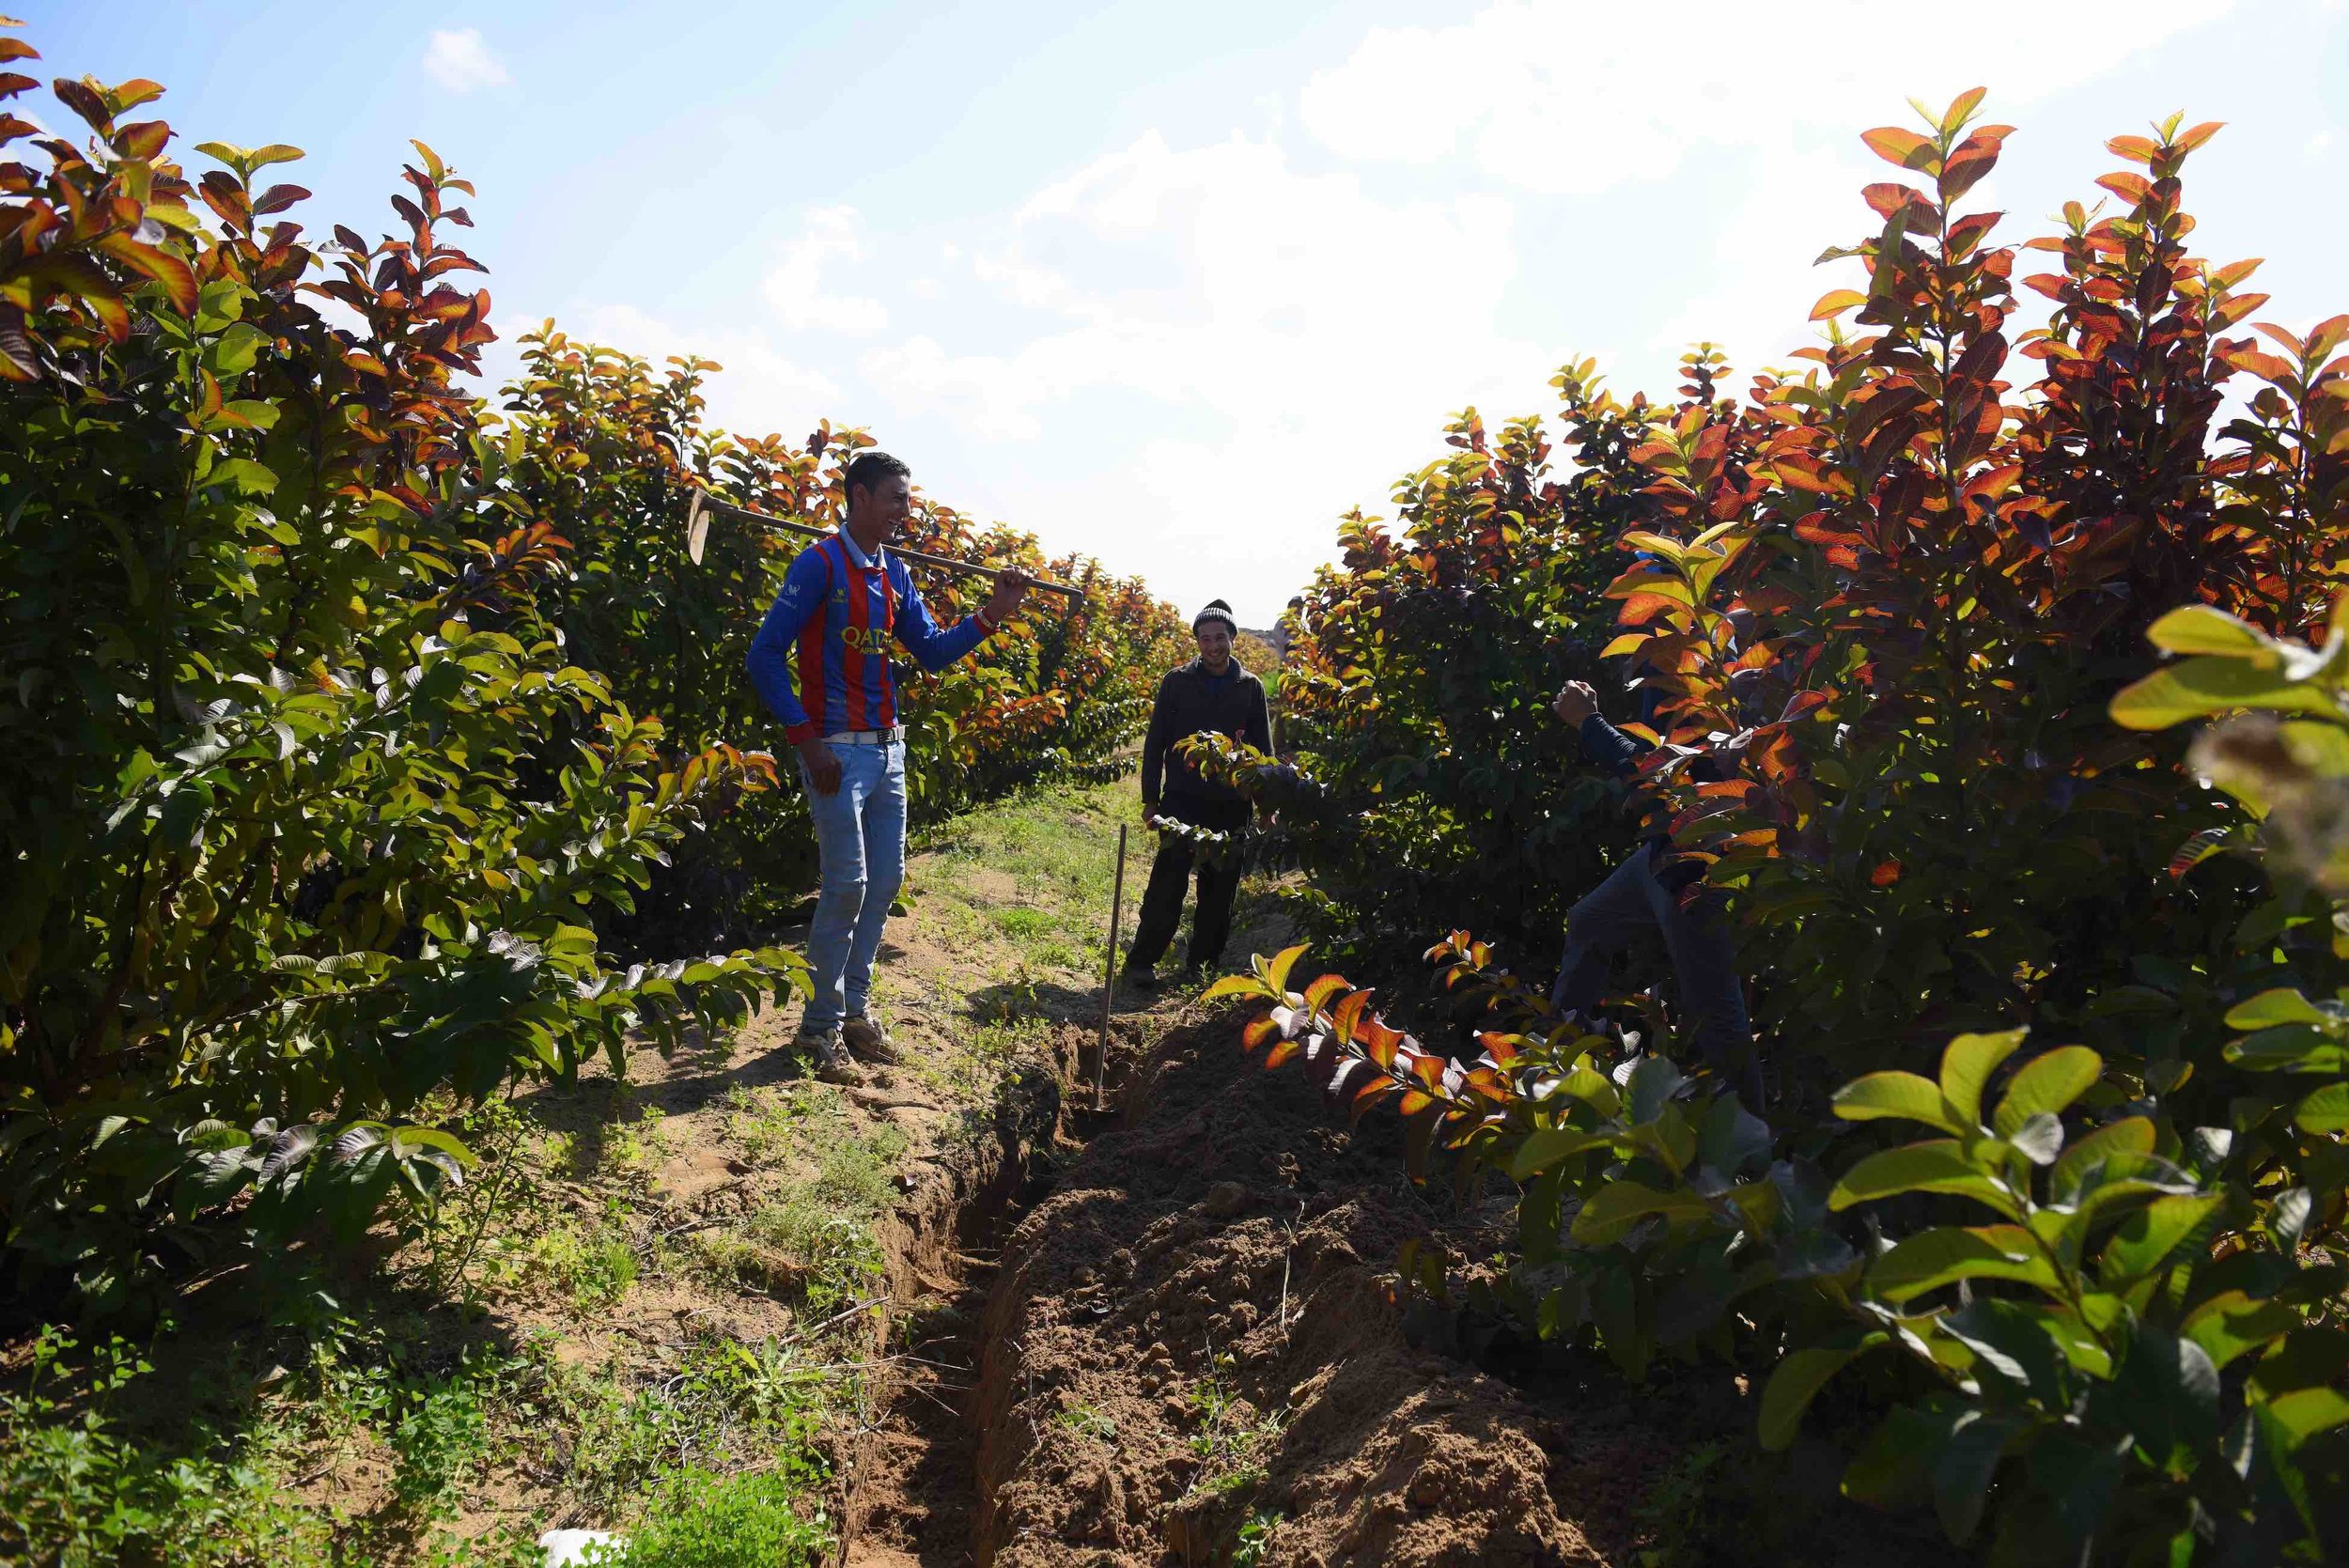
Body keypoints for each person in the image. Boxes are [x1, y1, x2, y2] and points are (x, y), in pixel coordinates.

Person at [746, 451, 1031, 1082]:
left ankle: (853, 1011)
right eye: (897, 497)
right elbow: (764, 656)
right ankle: (817, 1030)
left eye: (909, 497)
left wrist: (992, 615)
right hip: (836, 752)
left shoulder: (895, 574)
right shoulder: (818, 565)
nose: (908, 509)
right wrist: (808, 740)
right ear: (859, 497)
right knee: (845, 884)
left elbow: (929, 650)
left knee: (885, 882)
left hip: (887, 748)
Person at [1549, 674, 1763, 1107]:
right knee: (1588, 921)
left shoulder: (1688, 664)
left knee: (1717, 1013)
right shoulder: (1659, 668)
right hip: (1659, 859)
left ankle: (1750, 1152)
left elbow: (1663, 773)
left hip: (1697, 871)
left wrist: (1589, 722)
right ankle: (1558, 1063)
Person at [1120, 599, 1272, 989]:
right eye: (1205, 639)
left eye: (1220, 638)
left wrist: (1265, 806)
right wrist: (1150, 800)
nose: (1213, 646)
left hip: (1230, 804)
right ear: (1197, 643)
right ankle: (1142, 962)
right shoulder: (1177, 682)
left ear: (1233, 639)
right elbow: (1155, 744)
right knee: (1167, 884)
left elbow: (1263, 753)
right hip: (1182, 800)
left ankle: (1200, 967)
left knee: (1218, 892)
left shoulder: (1250, 687)